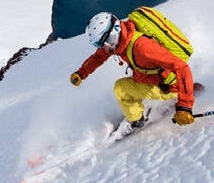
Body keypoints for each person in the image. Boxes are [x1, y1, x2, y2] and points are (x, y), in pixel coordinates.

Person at [70, 11, 196, 139]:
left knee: (121, 88)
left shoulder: (142, 47)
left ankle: (136, 120)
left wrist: (185, 107)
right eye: (98, 44)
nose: (103, 48)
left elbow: (182, 67)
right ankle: (148, 104)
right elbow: (99, 56)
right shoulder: (122, 36)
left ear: (113, 34)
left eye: (103, 42)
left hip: (168, 86)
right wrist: (81, 73)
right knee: (128, 84)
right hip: (154, 79)